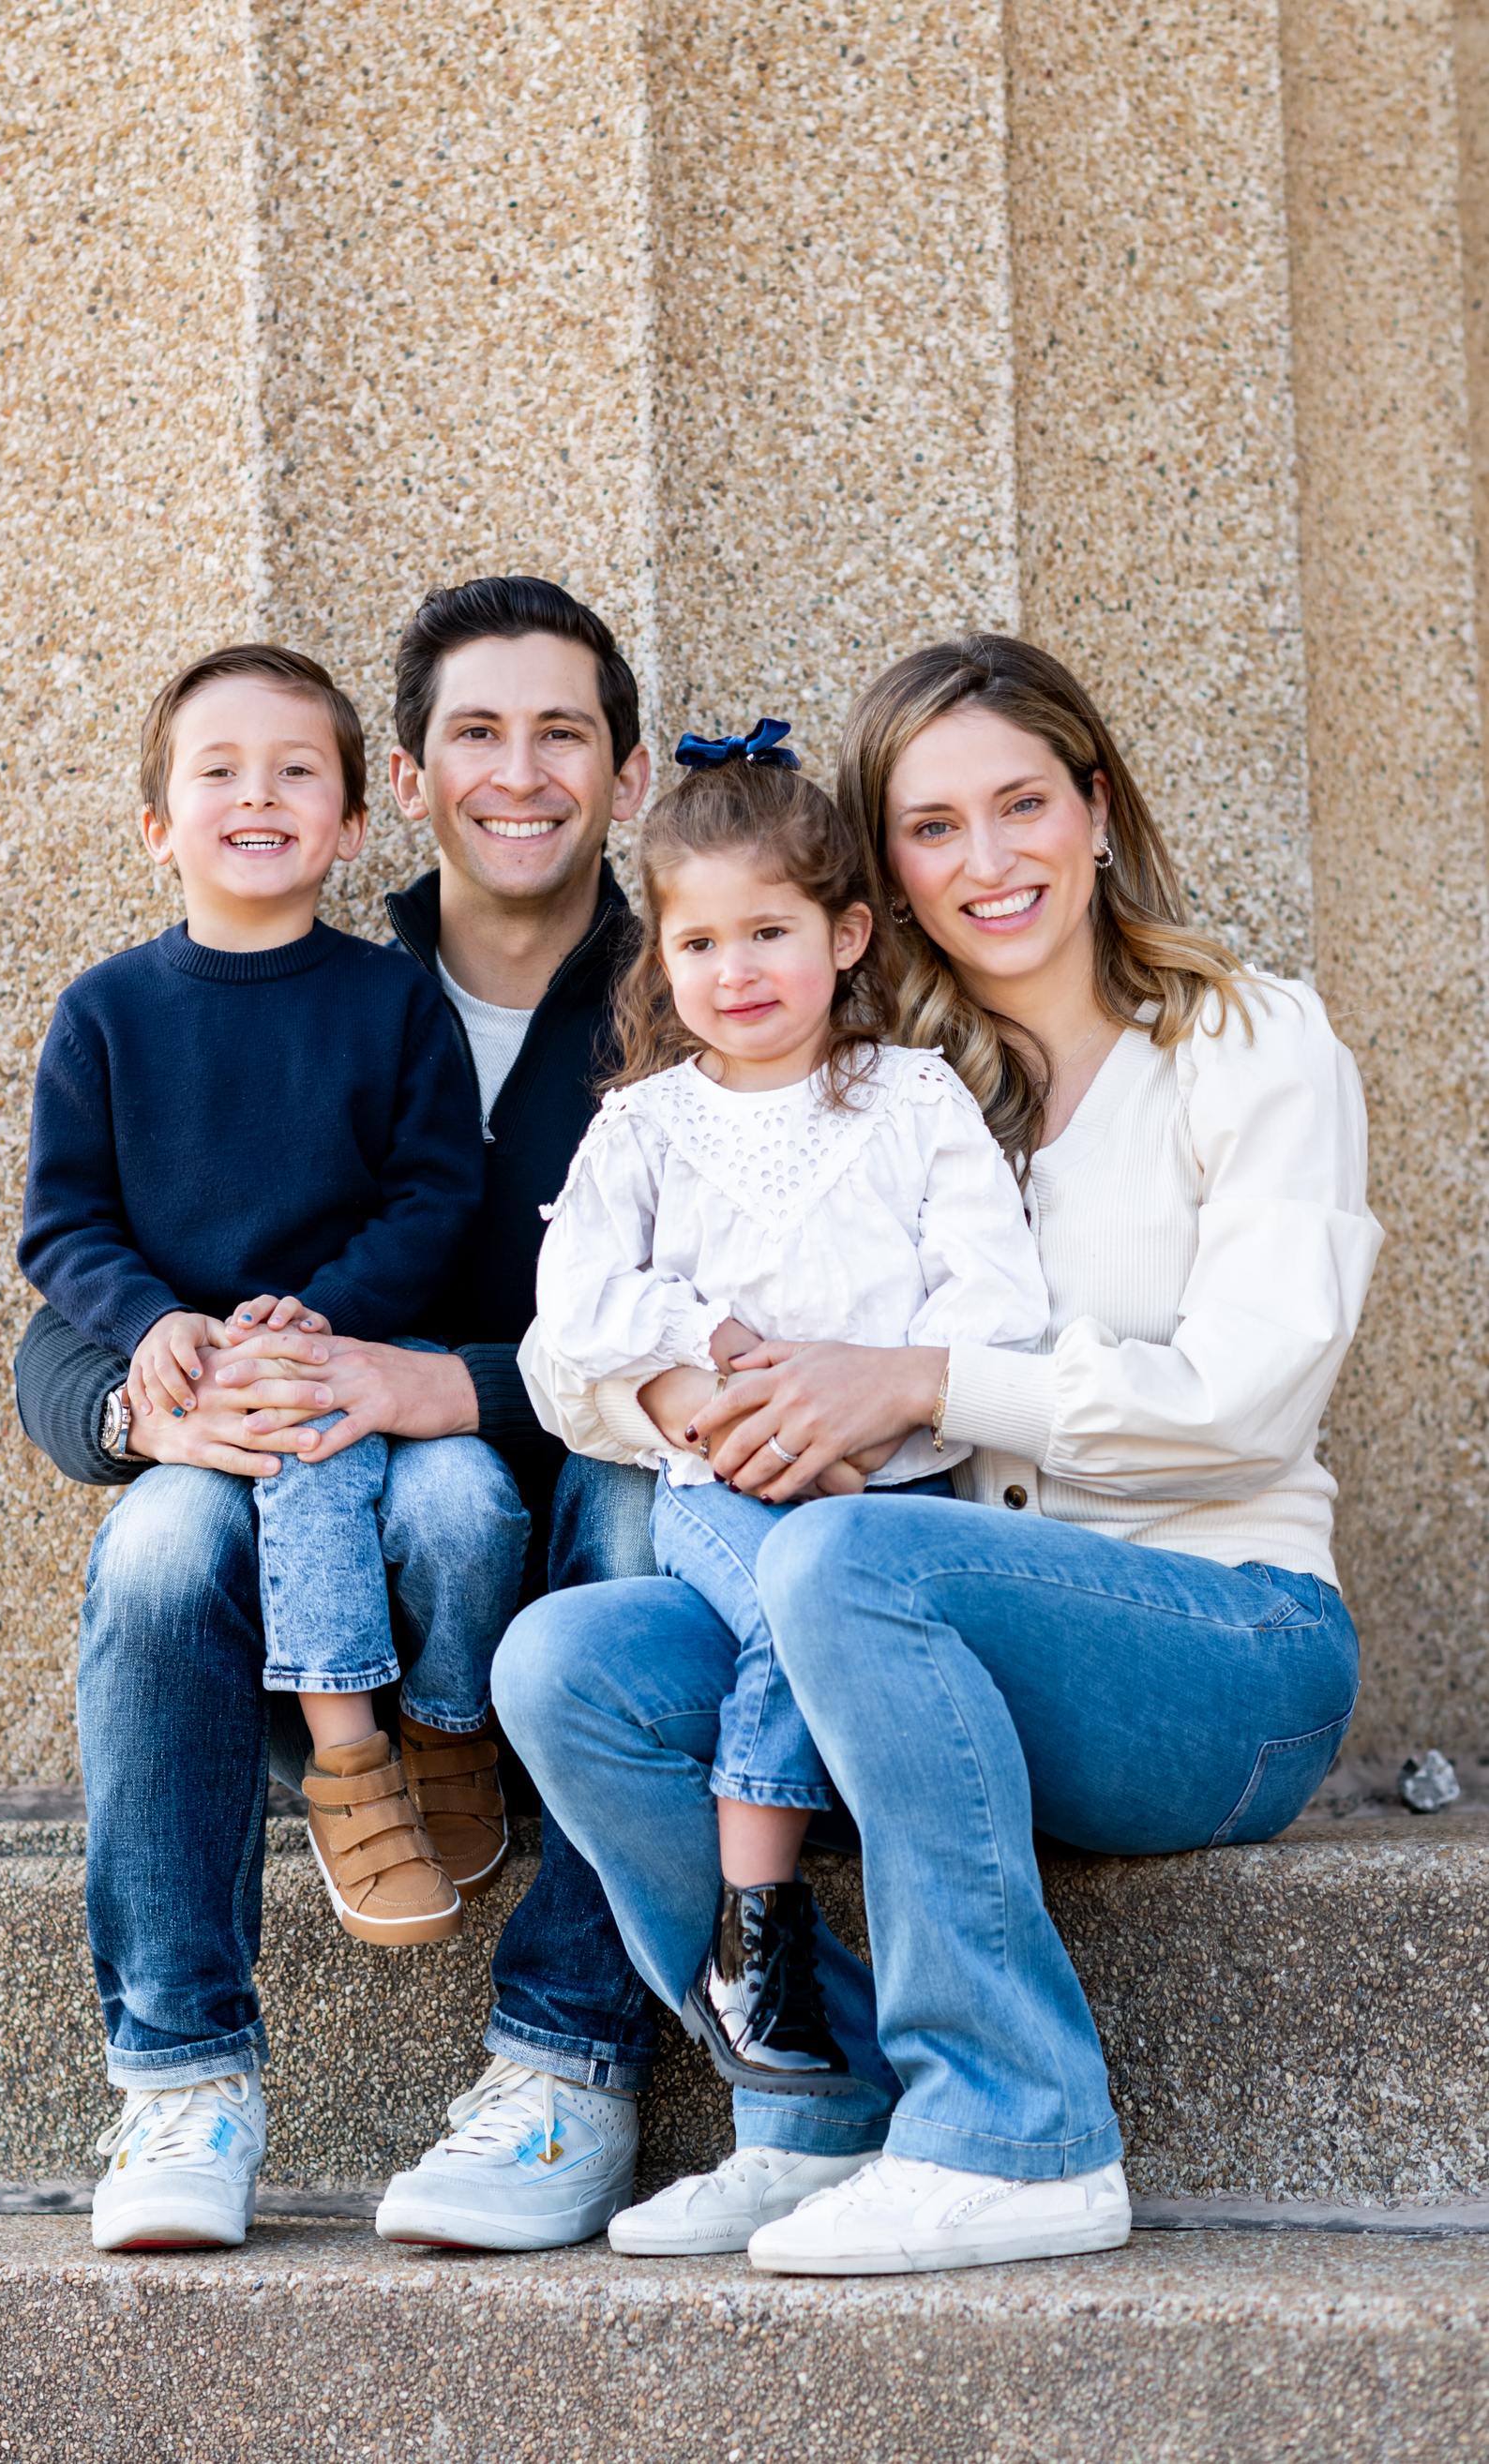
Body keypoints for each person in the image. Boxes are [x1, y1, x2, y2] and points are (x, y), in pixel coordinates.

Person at [492, 631, 1382, 2268]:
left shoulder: (1251, 1043)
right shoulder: (878, 1081)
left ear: (1095, 809)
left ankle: (1022, 2129)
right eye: (931, 826)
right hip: (918, 1628)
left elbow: (1249, 1395)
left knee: (845, 1556)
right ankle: (817, 2103)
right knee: (569, 1664)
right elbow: (569, 1350)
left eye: (1021, 804)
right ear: (882, 874)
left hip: (1224, 1648)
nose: (987, 860)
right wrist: (689, 1403)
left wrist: (917, 1380)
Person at [14, 578, 662, 2255]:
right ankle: (181, 2079)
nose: (519, 776)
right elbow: (61, 1290)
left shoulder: (706, 998)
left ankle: (565, 2067)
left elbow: (742, 1337)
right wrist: (148, 1403)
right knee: (154, 1547)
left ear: (630, 775)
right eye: (477, 735)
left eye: (563, 736)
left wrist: (426, 1380)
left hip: (529, 1527)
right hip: (289, 1537)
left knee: (647, 1520)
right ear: (418, 778)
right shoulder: (284, 985)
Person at [515, 720, 1045, 2120]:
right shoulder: (642, 1125)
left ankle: (761, 1941)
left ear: (850, 932)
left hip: (896, 1501)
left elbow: (996, 1307)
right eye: (700, 946)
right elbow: (576, 1310)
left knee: (819, 1599)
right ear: (661, 959)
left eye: (770, 933)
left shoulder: (912, 1101)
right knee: (788, 1608)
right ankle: (763, 1937)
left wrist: (869, 1415)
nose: (735, 973)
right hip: (716, 1487)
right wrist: (709, 1345)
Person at [20, 642, 520, 1994]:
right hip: (206, 1393)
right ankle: (347, 1770)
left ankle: (446, 1726)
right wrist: (149, 1330)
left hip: (372, 1355)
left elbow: (436, 1195)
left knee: (472, 1508)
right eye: (220, 771)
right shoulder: (107, 1014)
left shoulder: (390, 1001)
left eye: (298, 771)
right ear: (156, 825)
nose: (260, 794)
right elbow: (63, 1224)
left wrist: (330, 1319)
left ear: (353, 824)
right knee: (257, 1476)